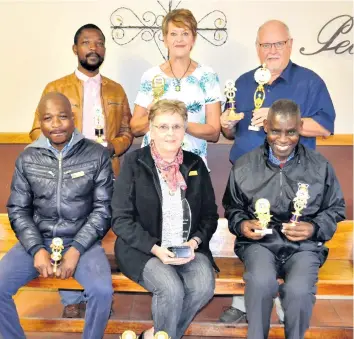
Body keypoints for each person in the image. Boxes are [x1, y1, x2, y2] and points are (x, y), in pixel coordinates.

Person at [219, 19, 336, 323]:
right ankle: (245, 302)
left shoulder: (310, 82)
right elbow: (233, 135)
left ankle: (286, 304)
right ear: (257, 48)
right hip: (248, 180)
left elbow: (324, 127)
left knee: (289, 242)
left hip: (293, 179)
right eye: (265, 45)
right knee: (252, 239)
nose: (271, 51)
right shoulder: (244, 82)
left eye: (278, 44)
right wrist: (227, 126)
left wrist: (275, 118)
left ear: (290, 44)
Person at [29, 23, 132, 317]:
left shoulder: (116, 89)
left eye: (99, 43)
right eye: (86, 42)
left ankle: (97, 294)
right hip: (63, 175)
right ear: (75, 49)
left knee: (95, 231)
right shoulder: (55, 88)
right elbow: (36, 129)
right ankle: (72, 298)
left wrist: (110, 148)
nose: (93, 48)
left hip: (104, 173)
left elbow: (127, 132)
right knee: (65, 228)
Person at [222, 99, 345, 339]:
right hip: (260, 244)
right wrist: (242, 225)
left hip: (304, 247)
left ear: (300, 127)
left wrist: (314, 228)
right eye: (276, 131)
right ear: (266, 126)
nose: (283, 139)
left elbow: (335, 208)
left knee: (299, 291)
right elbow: (233, 207)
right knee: (260, 282)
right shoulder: (244, 165)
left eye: (291, 132)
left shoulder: (319, 166)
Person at [0, 93, 114, 339]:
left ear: (73, 119)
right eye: (48, 118)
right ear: (40, 122)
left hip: (83, 241)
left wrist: (76, 250)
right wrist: (36, 249)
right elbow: (18, 210)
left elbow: (103, 210)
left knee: (102, 291)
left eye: (62, 117)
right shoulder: (28, 158)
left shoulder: (97, 155)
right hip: (38, 239)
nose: (56, 124)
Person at [112, 100, 219, 339]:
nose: (170, 133)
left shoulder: (195, 164)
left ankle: (154, 335)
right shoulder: (133, 162)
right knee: (171, 289)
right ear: (151, 128)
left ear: (184, 129)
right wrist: (155, 249)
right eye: (162, 126)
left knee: (203, 286)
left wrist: (195, 242)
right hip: (142, 249)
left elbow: (210, 215)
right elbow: (121, 219)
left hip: (186, 248)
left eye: (176, 126)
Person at [130, 9, 222, 167]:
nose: (179, 39)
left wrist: (180, 124)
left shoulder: (207, 76)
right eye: (173, 34)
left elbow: (214, 132)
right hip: (152, 166)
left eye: (185, 33)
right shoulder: (151, 76)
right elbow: (135, 128)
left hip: (192, 165)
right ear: (165, 39)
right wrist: (151, 115)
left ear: (193, 39)